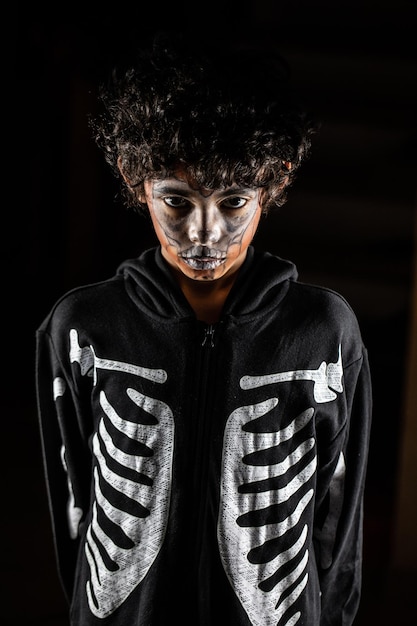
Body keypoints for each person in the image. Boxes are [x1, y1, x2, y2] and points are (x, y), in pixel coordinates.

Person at [35, 32, 372, 626]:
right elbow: (75, 506)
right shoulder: (82, 326)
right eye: (177, 200)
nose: (204, 233)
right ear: (133, 178)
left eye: (235, 201)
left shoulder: (325, 330)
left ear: (276, 180)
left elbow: (339, 520)